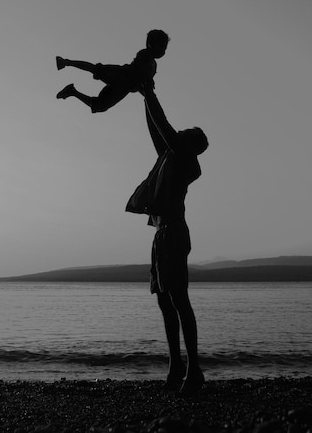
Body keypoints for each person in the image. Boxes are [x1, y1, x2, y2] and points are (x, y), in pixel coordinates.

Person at [126, 82, 209, 395]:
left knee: (179, 300)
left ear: (190, 143)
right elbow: (156, 129)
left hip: (173, 233)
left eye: (184, 133)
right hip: (162, 234)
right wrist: (144, 100)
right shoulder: (172, 156)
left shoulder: (186, 160)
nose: (178, 134)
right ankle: (176, 365)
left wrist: (149, 93)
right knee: (164, 300)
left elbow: (164, 127)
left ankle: (194, 369)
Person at [55, 29, 169, 113]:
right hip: (122, 75)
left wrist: (146, 93)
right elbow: (139, 70)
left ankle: (72, 92)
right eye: (161, 46)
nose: (163, 50)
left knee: (100, 106)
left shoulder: (153, 66)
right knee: (96, 69)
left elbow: (142, 83)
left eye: (165, 48)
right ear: (151, 44)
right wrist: (148, 80)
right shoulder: (145, 54)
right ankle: (65, 62)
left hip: (124, 88)